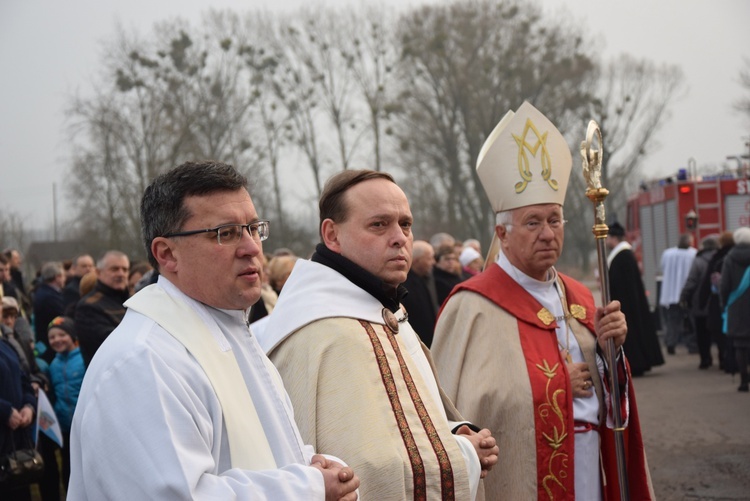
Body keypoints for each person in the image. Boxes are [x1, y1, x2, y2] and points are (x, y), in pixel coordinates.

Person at [68, 161, 359, 500]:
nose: (251, 247)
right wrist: (307, 488)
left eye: (253, 228)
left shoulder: (233, 332)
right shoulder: (144, 361)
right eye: (226, 233)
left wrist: (312, 465)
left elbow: (260, 448)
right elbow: (175, 495)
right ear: (167, 253)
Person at [431, 102, 653, 500]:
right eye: (533, 222)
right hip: (519, 480)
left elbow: (611, 398)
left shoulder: (580, 296)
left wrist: (611, 352)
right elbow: (452, 413)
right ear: (502, 232)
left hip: (589, 464)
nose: (548, 233)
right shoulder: (471, 307)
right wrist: (555, 386)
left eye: (555, 219)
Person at [256, 169, 498, 500]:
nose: (400, 237)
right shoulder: (325, 333)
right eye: (379, 225)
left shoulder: (383, 310)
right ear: (332, 235)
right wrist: (464, 454)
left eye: (406, 224)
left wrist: (452, 429)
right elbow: (365, 470)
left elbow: (402, 422)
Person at [606, 222, 664, 376]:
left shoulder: (623, 256)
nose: (606, 242)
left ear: (614, 238)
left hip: (628, 305)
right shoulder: (623, 255)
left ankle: (637, 363)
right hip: (629, 303)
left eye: (608, 238)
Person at [47, 316, 84, 490]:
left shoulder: (84, 358)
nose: (57, 340)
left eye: (62, 334)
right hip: (64, 427)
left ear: (72, 336)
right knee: (68, 469)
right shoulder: (53, 365)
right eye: (52, 337)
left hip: (84, 424)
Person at [74, 250, 130, 366]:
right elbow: (112, 345)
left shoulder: (131, 302)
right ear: (98, 272)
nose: (121, 274)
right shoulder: (88, 306)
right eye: (114, 269)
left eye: (125, 269)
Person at [0, 330, 36, 501]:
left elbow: (24, 380)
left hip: (15, 442)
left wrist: (29, 406)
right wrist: (4, 411)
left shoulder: (5, 345)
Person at [697, 231, 734, 372]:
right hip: (740, 302)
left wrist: (702, 301)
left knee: (720, 333)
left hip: (719, 303)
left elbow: (707, 282)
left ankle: (724, 360)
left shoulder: (717, 259)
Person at [680, 235, 719, 369]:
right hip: (715, 303)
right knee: (718, 332)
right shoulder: (720, 259)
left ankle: (705, 359)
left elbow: (691, 281)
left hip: (700, 303)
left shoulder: (698, 260)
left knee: (702, 333)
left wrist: (684, 296)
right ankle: (723, 359)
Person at [720, 226, 750, 392]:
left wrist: (724, 303)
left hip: (736, 306)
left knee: (740, 345)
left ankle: (744, 380)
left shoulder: (729, 258)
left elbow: (724, 286)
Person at [659, 233, 697, 354]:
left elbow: (662, 267)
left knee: (673, 322)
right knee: (691, 321)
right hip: (688, 294)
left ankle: (671, 344)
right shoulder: (694, 254)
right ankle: (692, 345)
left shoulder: (668, 254)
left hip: (671, 294)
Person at [401, 240, 439, 346]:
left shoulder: (426, 279)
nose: (433, 262)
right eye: (429, 258)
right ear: (417, 261)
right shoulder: (404, 285)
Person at [32, 262, 66, 361]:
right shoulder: (49, 297)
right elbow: (62, 317)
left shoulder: (45, 292)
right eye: (63, 275)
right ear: (57, 277)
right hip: (51, 345)